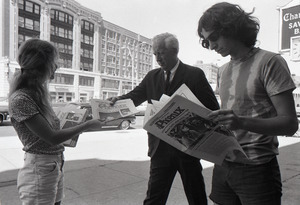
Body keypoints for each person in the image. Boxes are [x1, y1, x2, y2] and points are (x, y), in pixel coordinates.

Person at [197, 2, 298, 205]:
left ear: (231, 27)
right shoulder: (223, 70)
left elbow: (289, 124)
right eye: (206, 42)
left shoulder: (270, 62)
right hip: (223, 162)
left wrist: (241, 122)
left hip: (257, 167)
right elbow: (230, 117)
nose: (212, 46)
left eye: (214, 38)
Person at [109, 32, 219, 205]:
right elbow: (135, 96)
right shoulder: (152, 76)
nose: (157, 58)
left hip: (187, 148)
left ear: (174, 51)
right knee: (154, 198)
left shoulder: (194, 75)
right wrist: (118, 100)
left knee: (196, 196)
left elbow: (213, 109)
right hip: (160, 149)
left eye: (161, 53)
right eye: (155, 54)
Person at [8, 38, 103, 205]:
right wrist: (87, 125)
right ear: (41, 65)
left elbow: (48, 130)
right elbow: (51, 137)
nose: (56, 67)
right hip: (40, 167)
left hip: (53, 164)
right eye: (54, 62)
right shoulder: (21, 98)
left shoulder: (36, 94)